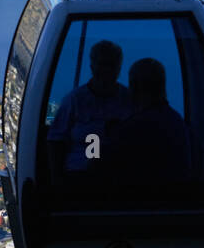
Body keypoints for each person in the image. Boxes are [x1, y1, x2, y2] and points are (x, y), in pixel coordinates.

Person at [47, 39, 132, 177]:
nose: (106, 70)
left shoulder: (129, 100)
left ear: (118, 68)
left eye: (111, 65)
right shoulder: (74, 101)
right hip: (80, 176)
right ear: (93, 66)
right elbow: (55, 142)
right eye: (103, 65)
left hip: (118, 177)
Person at [106, 56, 192, 184]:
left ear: (135, 87)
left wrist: (97, 137)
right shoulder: (177, 121)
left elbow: (99, 166)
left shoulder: (133, 128)